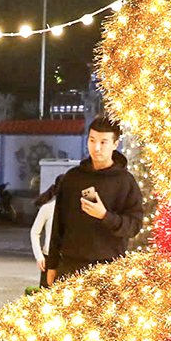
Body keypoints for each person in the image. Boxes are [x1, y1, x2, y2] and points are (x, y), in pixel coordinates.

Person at [44, 117, 145, 284]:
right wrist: (52, 265)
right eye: (92, 140)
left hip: (108, 270)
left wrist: (105, 216)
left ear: (115, 144)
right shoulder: (72, 178)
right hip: (70, 267)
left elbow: (134, 226)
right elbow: (58, 225)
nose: (96, 148)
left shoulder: (126, 181)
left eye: (103, 142)